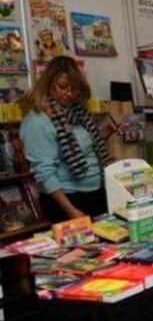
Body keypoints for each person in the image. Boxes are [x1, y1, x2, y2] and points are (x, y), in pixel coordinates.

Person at [20, 56, 112, 221]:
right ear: (48, 84)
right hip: (67, 201)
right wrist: (71, 211)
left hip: (96, 194)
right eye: (62, 87)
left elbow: (84, 148)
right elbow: (44, 172)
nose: (68, 94)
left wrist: (105, 133)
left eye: (74, 89)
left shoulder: (78, 113)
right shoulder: (37, 120)